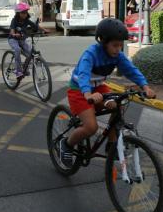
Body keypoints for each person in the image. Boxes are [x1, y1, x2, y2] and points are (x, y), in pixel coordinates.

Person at [58, 18, 156, 168]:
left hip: (99, 88)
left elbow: (131, 70)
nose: (118, 49)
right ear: (103, 43)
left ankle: (111, 144)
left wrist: (145, 86)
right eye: (114, 45)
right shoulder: (90, 54)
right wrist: (87, 94)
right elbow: (83, 75)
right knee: (91, 127)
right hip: (79, 90)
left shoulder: (118, 56)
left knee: (118, 105)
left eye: (120, 45)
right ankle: (67, 144)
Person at [8, 2, 47, 78]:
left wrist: (44, 30)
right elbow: (12, 30)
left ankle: (24, 69)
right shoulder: (14, 20)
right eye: (23, 13)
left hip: (22, 40)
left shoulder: (26, 20)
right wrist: (14, 34)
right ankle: (18, 71)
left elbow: (35, 26)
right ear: (18, 13)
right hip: (13, 39)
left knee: (30, 54)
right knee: (17, 49)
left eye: (26, 12)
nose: (24, 14)